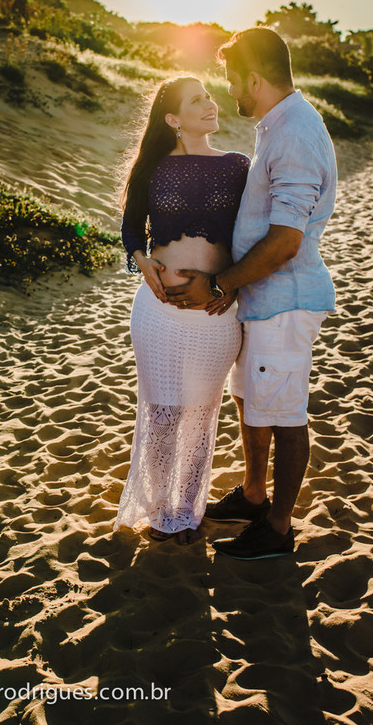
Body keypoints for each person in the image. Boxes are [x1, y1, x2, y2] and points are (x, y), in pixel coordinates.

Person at [164, 27, 336, 561]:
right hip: (263, 301)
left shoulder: (294, 135)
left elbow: (287, 240)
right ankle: (256, 496)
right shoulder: (278, 125)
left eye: (234, 81)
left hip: (285, 301)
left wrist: (220, 283)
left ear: (255, 78)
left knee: (284, 413)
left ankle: (278, 529)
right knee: (252, 400)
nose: (231, 93)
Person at [114, 76, 249, 546]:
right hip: (159, 312)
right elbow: (131, 230)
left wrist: (231, 286)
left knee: (200, 412)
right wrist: (141, 259)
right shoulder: (151, 168)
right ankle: (159, 512)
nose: (210, 104)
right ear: (173, 119)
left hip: (215, 313)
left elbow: (249, 237)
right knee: (163, 413)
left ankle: (185, 513)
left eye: (209, 96)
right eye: (197, 100)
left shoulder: (237, 167)